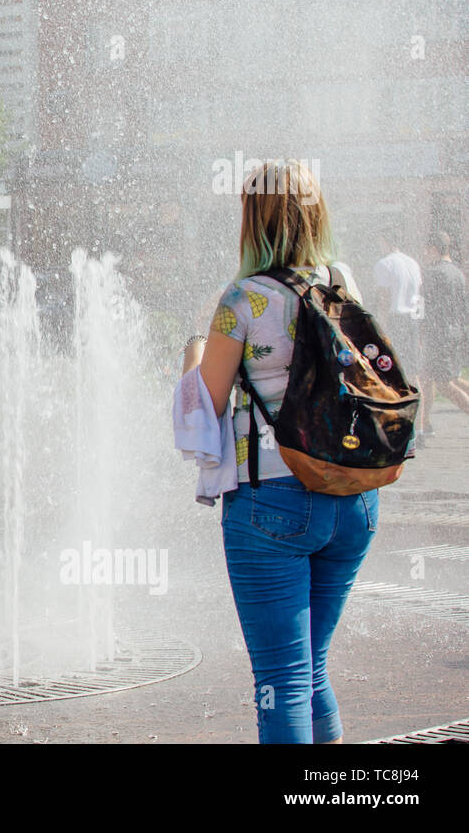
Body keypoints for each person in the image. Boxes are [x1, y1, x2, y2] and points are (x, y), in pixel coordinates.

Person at [182, 159, 374, 744]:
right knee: (310, 669)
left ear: (253, 219)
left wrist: (193, 351)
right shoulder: (341, 281)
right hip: (352, 498)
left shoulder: (241, 298)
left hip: (272, 503)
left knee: (280, 680)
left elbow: (202, 409)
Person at [373, 230, 424, 428]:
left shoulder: (384, 263)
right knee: (413, 373)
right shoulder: (412, 263)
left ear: (385, 241)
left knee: (388, 373)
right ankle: (418, 427)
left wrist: (381, 326)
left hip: (395, 321)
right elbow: (419, 296)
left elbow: (384, 298)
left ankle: (396, 424)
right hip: (412, 320)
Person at [419, 230, 469, 423]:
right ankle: (425, 423)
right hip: (454, 331)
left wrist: (421, 330)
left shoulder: (434, 273)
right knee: (428, 377)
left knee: (444, 384)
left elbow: (424, 306)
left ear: (433, 249)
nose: (425, 254)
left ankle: (424, 424)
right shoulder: (457, 273)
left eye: (426, 250)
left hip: (439, 335)